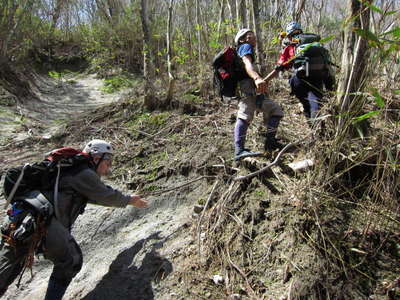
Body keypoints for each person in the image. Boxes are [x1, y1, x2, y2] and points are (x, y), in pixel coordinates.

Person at [0, 139, 148, 300]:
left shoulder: (68, 169)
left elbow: (95, 197)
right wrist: (129, 200)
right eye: (108, 161)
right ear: (96, 157)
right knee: (71, 260)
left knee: (9, 265)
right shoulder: (83, 172)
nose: (108, 167)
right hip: (41, 221)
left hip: (22, 218)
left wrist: (127, 200)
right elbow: (105, 195)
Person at [265, 21, 335, 125]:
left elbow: (279, 67)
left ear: (289, 36)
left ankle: (314, 130)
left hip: (300, 80)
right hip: (319, 77)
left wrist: (265, 80)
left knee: (307, 106)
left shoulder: (289, 48)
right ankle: (321, 129)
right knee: (317, 105)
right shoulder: (314, 44)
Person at [233, 28, 284, 161]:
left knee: (276, 111)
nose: (254, 36)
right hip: (247, 87)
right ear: (243, 39)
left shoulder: (247, 48)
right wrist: (256, 78)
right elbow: (247, 64)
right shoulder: (245, 47)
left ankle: (270, 143)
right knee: (244, 115)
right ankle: (239, 151)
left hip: (255, 90)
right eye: (250, 35)